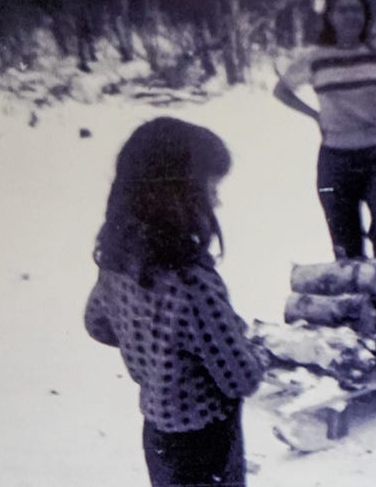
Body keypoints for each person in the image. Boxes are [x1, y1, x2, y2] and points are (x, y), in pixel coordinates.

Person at [84, 117, 264, 487]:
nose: (216, 199)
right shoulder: (192, 282)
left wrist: (151, 346)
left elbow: (97, 323)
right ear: (179, 192)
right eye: (210, 187)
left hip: (159, 437)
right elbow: (240, 377)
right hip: (207, 443)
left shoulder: (119, 261)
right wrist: (257, 351)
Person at [273, 0, 376, 262]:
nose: (350, 16)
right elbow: (281, 91)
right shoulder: (315, 58)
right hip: (334, 162)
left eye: (356, 10)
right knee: (345, 241)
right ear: (330, 16)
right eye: (342, 10)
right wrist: (315, 115)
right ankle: (355, 304)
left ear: (365, 15)